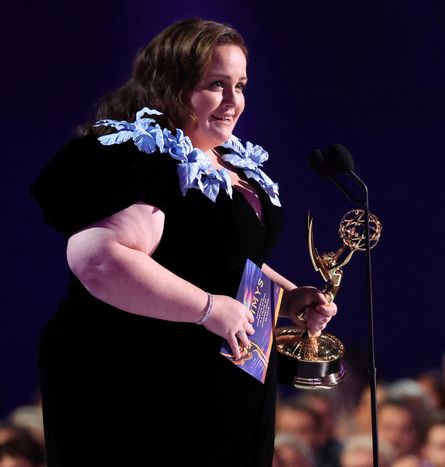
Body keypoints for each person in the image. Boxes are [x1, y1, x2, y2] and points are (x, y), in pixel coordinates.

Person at [31, 17, 337, 466]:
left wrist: (288, 298)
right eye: (216, 84)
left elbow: (222, 257)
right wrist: (208, 308)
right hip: (144, 390)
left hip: (211, 388)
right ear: (173, 86)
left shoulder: (227, 160)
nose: (233, 100)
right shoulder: (145, 155)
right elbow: (97, 259)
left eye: (240, 85)